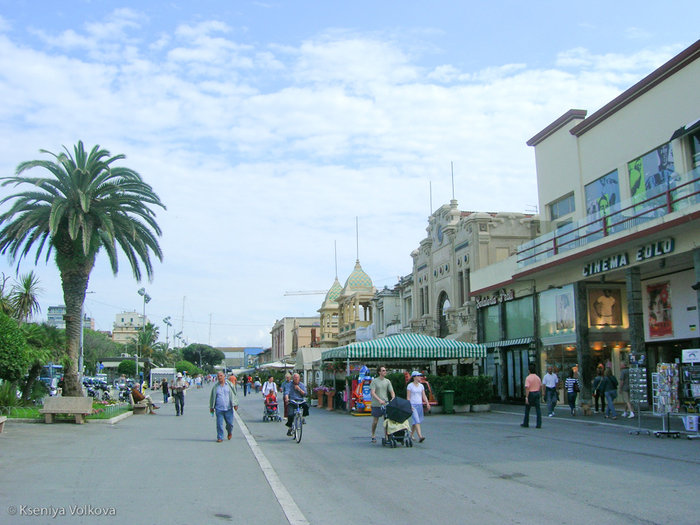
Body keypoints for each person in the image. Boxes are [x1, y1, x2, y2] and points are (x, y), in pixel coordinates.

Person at [209, 371, 239, 442]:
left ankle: (229, 432)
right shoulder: (215, 387)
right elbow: (212, 397)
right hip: (219, 408)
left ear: (224, 376)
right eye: (218, 376)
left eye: (221, 376)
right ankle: (220, 437)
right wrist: (211, 407)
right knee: (219, 424)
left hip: (228, 408)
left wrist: (235, 404)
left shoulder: (229, 385)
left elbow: (234, 394)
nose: (219, 377)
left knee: (230, 424)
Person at [369, 365, 395, 443]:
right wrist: (379, 400)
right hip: (376, 404)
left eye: (385, 370)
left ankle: (386, 436)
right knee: (375, 421)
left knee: (386, 421)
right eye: (383, 370)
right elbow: (372, 393)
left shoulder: (387, 381)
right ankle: (373, 434)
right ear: (379, 372)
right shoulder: (374, 381)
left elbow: (392, 391)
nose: (385, 372)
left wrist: (393, 398)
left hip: (385, 403)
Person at [407, 371, 430, 442]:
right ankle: (420, 436)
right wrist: (410, 405)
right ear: (414, 377)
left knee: (416, 421)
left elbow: (424, 395)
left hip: (419, 405)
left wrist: (427, 403)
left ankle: (410, 435)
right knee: (417, 420)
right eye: (418, 376)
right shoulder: (410, 386)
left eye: (420, 376)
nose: (420, 377)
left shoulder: (421, 386)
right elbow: (408, 397)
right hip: (413, 405)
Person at [521, 363, 542, 429]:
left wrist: (526, 397)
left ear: (529, 370)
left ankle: (526, 423)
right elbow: (540, 386)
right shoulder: (538, 378)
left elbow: (527, 388)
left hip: (531, 393)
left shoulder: (528, 378)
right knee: (538, 409)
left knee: (527, 409)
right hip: (537, 392)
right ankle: (538, 424)